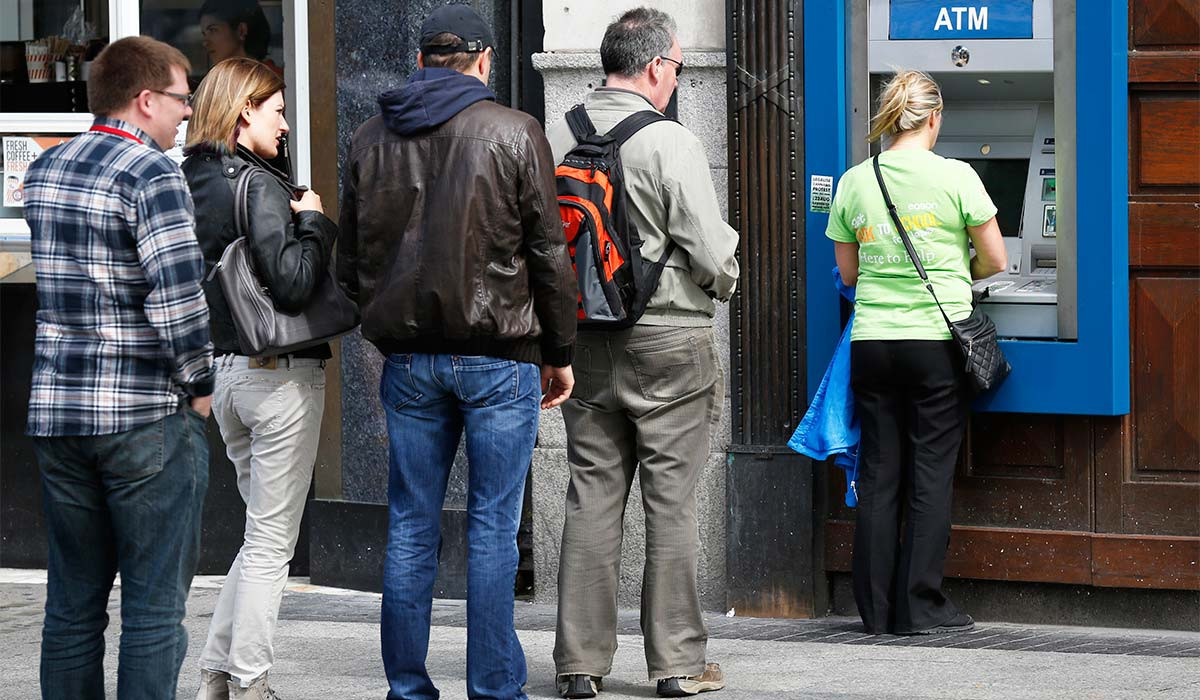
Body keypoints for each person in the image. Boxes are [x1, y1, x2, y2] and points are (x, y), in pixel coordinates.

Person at [337, 5, 577, 699]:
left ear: (421, 59)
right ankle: (494, 690)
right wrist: (558, 351)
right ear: (483, 61)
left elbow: (349, 260)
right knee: (493, 530)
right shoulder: (512, 130)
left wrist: (379, 327)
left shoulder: (369, 135)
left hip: (408, 360)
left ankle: (408, 690)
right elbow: (547, 255)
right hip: (499, 356)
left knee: (411, 526)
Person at [547, 8, 740, 699]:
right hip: (668, 340)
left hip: (581, 341)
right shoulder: (671, 142)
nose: (677, 77)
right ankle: (678, 665)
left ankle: (578, 665)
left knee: (591, 497)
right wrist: (728, 278)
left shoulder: (555, 135)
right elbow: (712, 251)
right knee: (672, 503)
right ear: (657, 66)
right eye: (679, 66)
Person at [22, 36, 214, 699]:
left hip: (59, 414)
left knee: (71, 603)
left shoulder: (46, 170)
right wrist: (200, 384)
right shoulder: (152, 172)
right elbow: (178, 294)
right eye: (183, 98)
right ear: (145, 99)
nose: (187, 112)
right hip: (140, 416)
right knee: (154, 607)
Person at [825, 70, 1007, 636]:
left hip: (873, 342)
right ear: (934, 118)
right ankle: (921, 606)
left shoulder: (856, 181)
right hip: (935, 341)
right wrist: (958, 272)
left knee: (879, 473)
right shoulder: (957, 176)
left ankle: (875, 610)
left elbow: (849, 273)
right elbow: (997, 260)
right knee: (930, 472)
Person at [182, 57, 338, 700]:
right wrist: (314, 221)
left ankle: (218, 675)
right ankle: (250, 682)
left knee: (259, 534)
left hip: (225, 374)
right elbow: (296, 282)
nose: (283, 125)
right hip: (278, 376)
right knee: (273, 541)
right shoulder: (261, 187)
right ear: (245, 110)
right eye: (276, 111)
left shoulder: (188, 178)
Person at [199, 0, 282, 75]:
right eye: (204, 34)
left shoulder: (272, 80)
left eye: (213, 30)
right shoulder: (219, 79)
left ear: (241, 30)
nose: (205, 42)